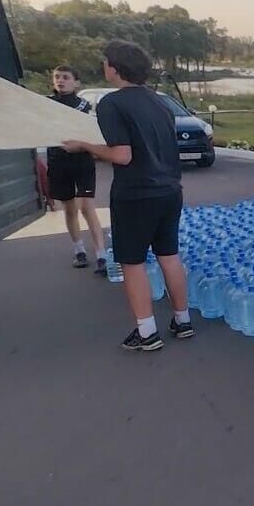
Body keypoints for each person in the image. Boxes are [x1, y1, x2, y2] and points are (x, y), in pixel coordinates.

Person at [62, 40, 193, 351]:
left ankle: (147, 332)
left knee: (132, 262)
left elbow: (122, 155)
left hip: (136, 194)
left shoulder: (112, 104)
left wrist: (84, 145)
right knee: (169, 255)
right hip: (170, 190)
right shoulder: (160, 101)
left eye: (106, 62)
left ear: (115, 68)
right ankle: (182, 319)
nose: (104, 66)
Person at [47, 65, 107, 274]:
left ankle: (102, 255)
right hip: (58, 162)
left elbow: (95, 132)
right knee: (69, 209)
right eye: (57, 77)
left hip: (82, 162)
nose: (60, 81)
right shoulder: (47, 104)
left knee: (86, 207)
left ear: (76, 82)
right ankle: (79, 251)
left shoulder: (85, 106)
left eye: (65, 77)